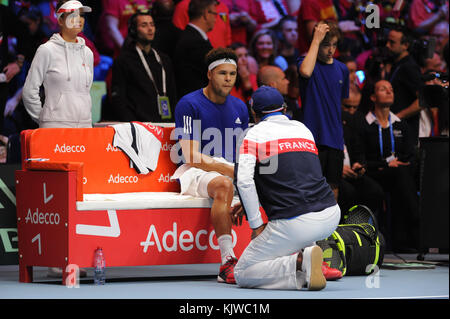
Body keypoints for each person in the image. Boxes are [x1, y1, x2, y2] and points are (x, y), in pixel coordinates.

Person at [234, 86, 340, 290]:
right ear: (283, 109)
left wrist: (256, 224)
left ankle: (299, 262)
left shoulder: (253, 134)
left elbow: (244, 182)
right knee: (293, 232)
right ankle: (308, 254)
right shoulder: (303, 129)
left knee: (242, 272)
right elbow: (295, 176)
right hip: (330, 214)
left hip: (296, 223)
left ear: (254, 114)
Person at [172, 47, 249, 284]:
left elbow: (243, 152)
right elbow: (192, 156)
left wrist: (247, 178)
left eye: (232, 74)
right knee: (224, 185)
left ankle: (292, 256)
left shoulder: (240, 107)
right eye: (222, 73)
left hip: (230, 169)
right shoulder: (189, 104)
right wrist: (234, 172)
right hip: (196, 171)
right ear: (209, 74)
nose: (228, 79)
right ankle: (227, 261)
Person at [361, 80, 420, 252]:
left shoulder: (401, 125)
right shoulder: (365, 125)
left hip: (398, 173)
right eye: (382, 89)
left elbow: (408, 154)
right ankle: (414, 232)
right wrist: (385, 163)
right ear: (372, 96)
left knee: (403, 176)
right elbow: (363, 158)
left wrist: (396, 163)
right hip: (374, 173)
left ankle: (403, 238)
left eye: (391, 89)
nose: (389, 92)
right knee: (401, 177)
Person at [298, 21, 349, 200]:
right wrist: (316, 39)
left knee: (333, 187)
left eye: (334, 45)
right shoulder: (305, 64)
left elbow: (340, 101)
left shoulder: (342, 69)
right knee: (311, 187)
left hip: (335, 138)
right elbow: (305, 72)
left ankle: (331, 227)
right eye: (326, 45)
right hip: (312, 137)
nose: (331, 50)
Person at [23, 0, 94, 129]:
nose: (79, 19)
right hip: (55, 127)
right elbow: (29, 91)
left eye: (81, 15)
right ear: (60, 20)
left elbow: (85, 90)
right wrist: (45, 120)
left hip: (85, 126)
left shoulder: (87, 53)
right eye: (72, 14)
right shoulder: (47, 50)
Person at [110, 10, 177, 123]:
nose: (150, 29)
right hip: (139, 126)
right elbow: (119, 99)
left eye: (152, 24)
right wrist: (133, 124)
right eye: (144, 25)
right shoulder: (123, 61)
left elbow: (172, 93)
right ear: (133, 30)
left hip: (165, 123)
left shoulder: (163, 59)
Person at [385, 27, 423, 145]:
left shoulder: (409, 67)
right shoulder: (397, 64)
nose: (387, 45)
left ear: (405, 45)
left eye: (392, 42)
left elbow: (422, 100)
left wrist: (398, 116)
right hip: (397, 128)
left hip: (406, 131)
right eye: (387, 41)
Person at [173, 0, 216, 98]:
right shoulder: (194, 42)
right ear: (206, 14)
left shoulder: (190, 36)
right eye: (215, 14)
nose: (216, 19)